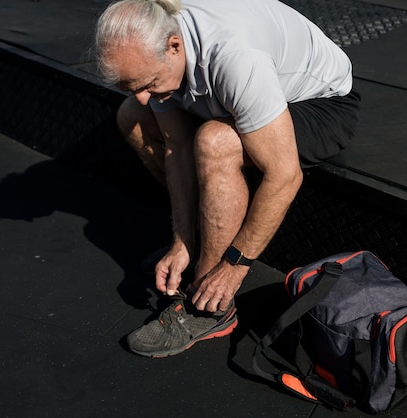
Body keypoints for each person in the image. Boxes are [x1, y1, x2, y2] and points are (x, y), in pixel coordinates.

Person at [94, 0, 360, 358]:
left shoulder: (235, 56)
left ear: (174, 46)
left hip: (320, 102)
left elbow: (284, 176)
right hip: (231, 90)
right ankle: (202, 243)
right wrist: (181, 240)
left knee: (215, 142)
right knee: (132, 115)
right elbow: (175, 148)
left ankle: (210, 307)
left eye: (149, 83)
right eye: (135, 85)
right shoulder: (160, 45)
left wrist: (234, 266)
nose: (144, 95)